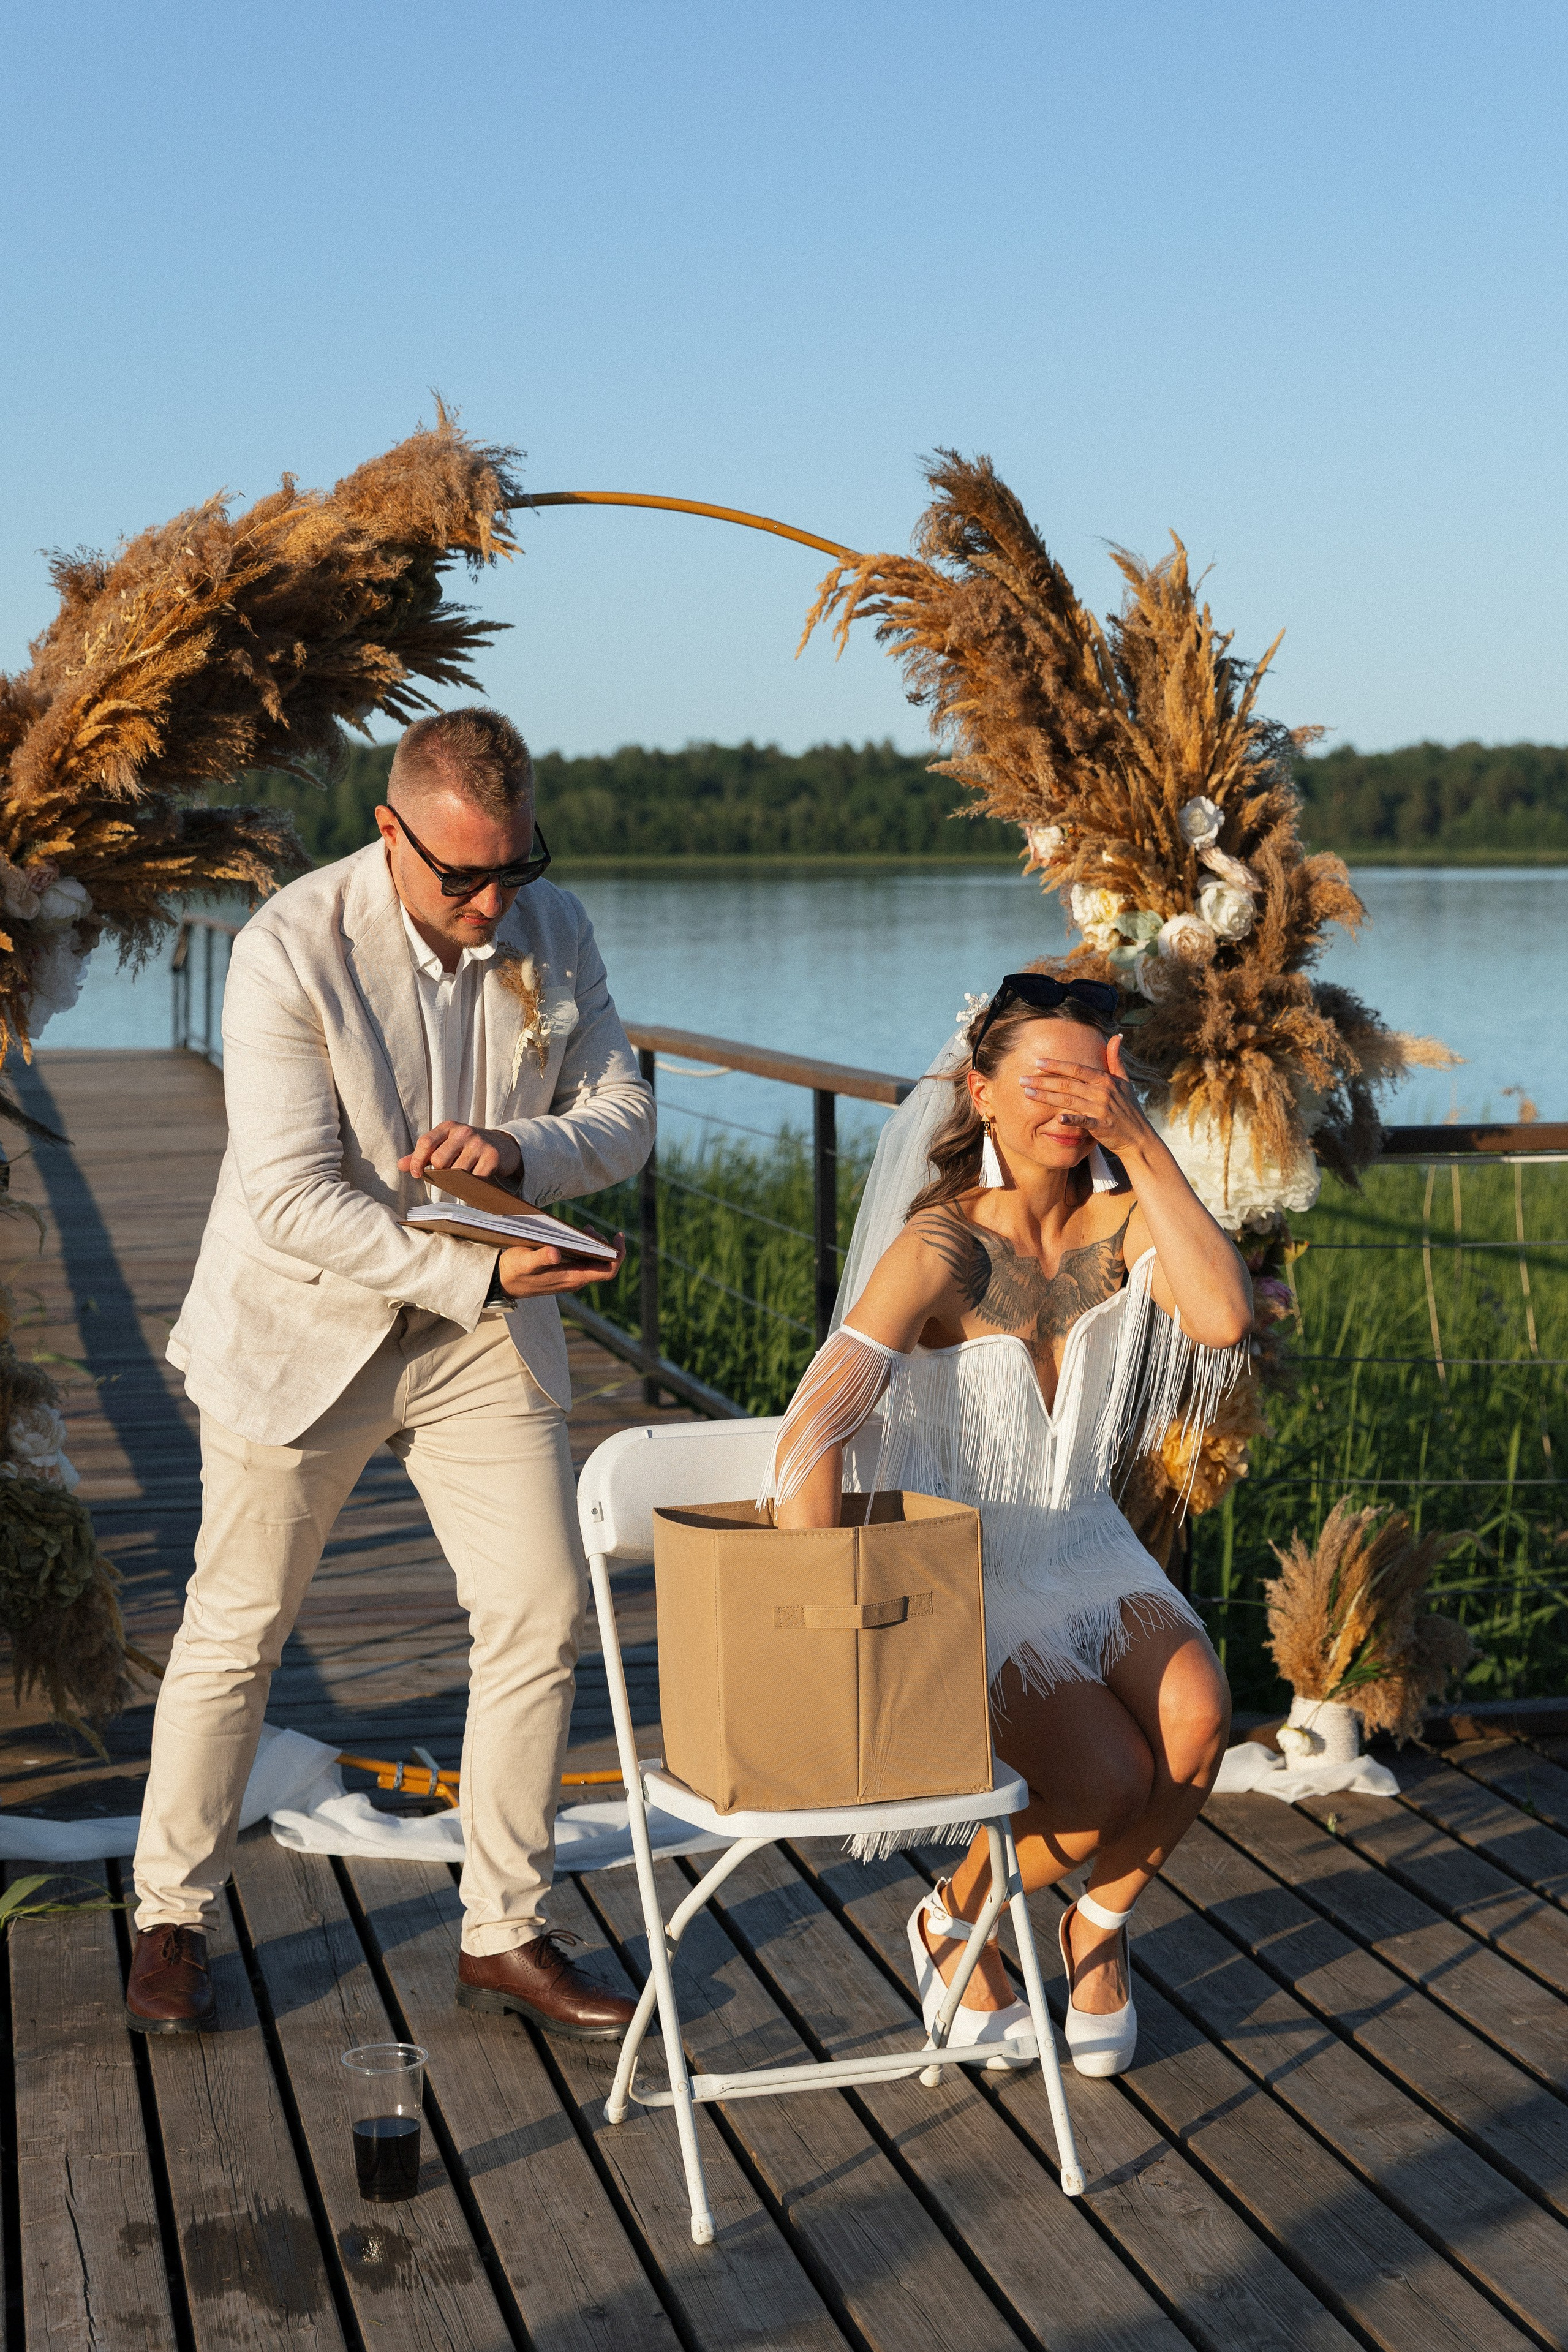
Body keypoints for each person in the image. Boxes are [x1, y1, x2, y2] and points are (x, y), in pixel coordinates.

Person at [127, 706, 653, 2041]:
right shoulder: (286, 950)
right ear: (388, 830)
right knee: (236, 1626)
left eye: (512, 872)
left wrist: (523, 1155)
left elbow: (624, 1116)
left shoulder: (556, 928)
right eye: (461, 877)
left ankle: (504, 1931)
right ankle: (170, 1916)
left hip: (478, 1339)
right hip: (308, 1331)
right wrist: (472, 1271)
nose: (490, 905)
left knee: (537, 1611)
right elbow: (294, 1197)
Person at [769, 973, 1252, 2075]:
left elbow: (1222, 1316)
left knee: (1198, 1718)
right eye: (1043, 1080)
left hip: (1082, 1538)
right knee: (1102, 1785)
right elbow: (809, 1431)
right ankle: (951, 1916)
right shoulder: (942, 1251)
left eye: (1094, 1080)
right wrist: (829, 1619)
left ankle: (1099, 1929)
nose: (1069, 1104)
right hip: (965, 1558)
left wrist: (1145, 1144)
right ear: (980, 1094)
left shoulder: (1129, 1224)